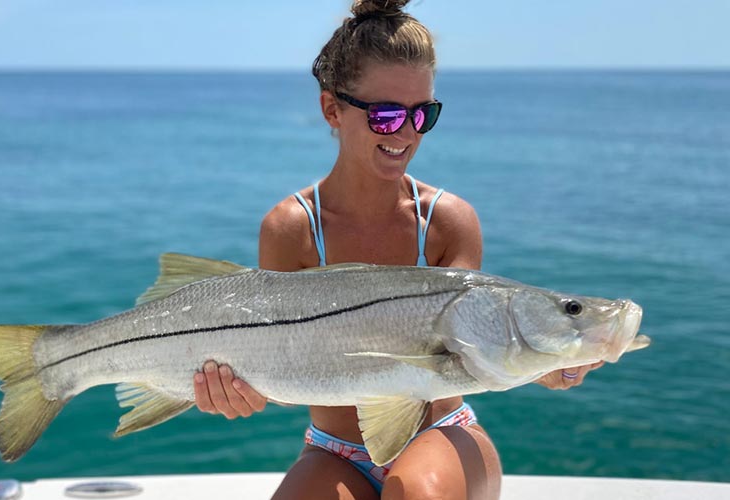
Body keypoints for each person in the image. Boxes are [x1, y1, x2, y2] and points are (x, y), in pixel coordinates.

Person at [192, 1, 604, 498]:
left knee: (414, 493)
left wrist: (545, 363)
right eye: (386, 115)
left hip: (444, 434)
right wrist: (233, 391)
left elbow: (472, 354)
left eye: (421, 114)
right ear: (331, 109)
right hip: (331, 448)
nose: (406, 133)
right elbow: (281, 360)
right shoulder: (291, 228)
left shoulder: (448, 221)